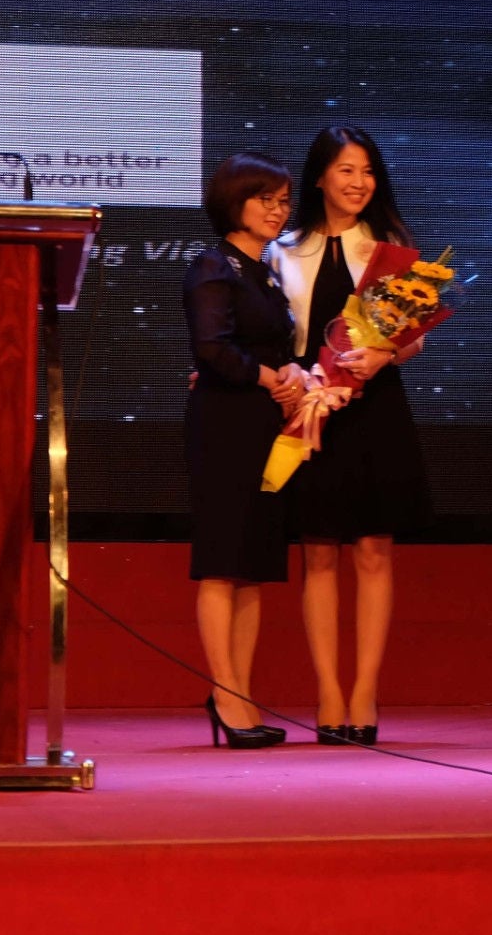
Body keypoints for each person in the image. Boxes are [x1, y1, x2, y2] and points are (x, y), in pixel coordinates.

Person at [268, 125, 433, 746]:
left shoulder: (389, 249)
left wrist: (386, 354)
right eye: (345, 170)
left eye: (366, 171)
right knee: (317, 552)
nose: (358, 182)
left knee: (372, 550)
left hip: (376, 406)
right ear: (319, 177)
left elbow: (415, 333)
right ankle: (328, 696)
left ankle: (364, 692)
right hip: (311, 410)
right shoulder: (283, 249)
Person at [182, 151, 308, 750]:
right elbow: (212, 348)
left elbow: (274, 348)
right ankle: (226, 697)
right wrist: (269, 378)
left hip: (266, 427)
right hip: (226, 423)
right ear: (234, 201)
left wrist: (297, 380)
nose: (278, 210)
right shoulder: (213, 267)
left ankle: (240, 695)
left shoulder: (264, 271)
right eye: (267, 198)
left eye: (284, 200)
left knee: (253, 568)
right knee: (222, 562)